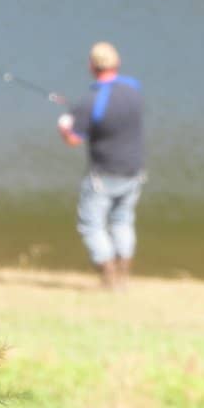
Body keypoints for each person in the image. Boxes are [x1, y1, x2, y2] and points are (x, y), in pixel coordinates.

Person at [57, 42, 145, 289]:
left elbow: (74, 139)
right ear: (117, 63)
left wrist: (64, 127)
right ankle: (124, 275)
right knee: (122, 221)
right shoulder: (134, 90)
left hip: (104, 174)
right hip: (134, 170)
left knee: (91, 225)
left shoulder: (91, 101)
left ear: (91, 66)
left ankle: (109, 278)